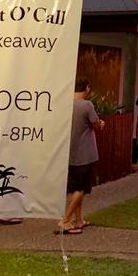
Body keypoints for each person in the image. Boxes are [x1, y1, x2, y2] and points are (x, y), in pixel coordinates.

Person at [59, 78, 104, 234]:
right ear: (87, 88)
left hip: (70, 152)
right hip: (86, 153)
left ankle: (79, 220)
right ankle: (65, 220)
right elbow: (96, 124)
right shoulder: (87, 105)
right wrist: (101, 124)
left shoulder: (65, 105)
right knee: (82, 188)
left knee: (74, 187)